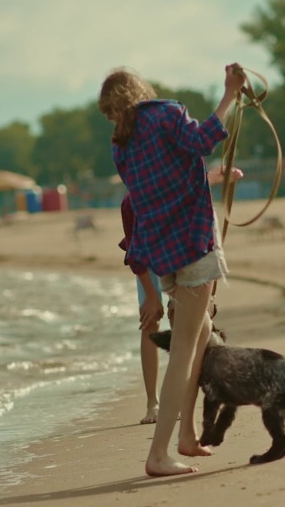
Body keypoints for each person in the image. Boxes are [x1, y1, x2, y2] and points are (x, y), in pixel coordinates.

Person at [99, 63, 247, 477]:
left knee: (199, 338)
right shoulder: (165, 114)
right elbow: (203, 140)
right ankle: (158, 454)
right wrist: (230, 93)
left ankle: (186, 436)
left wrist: (208, 176)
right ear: (140, 90)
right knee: (183, 351)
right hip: (194, 246)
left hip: (162, 255)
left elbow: (165, 183)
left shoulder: (121, 145)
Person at [120, 165, 242, 426]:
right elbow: (136, 258)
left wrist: (224, 174)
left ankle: (182, 400)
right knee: (150, 321)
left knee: (183, 322)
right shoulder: (131, 203)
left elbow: (203, 178)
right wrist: (152, 297)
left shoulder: (182, 185)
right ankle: (153, 402)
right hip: (146, 257)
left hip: (178, 249)